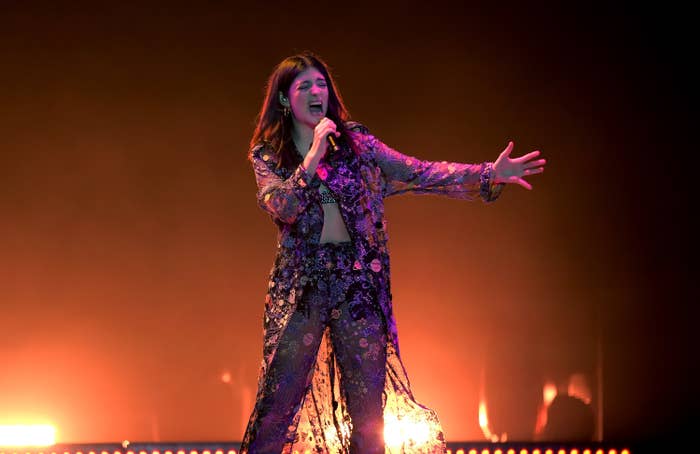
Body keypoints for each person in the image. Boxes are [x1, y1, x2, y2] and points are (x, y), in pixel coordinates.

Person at [240, 52, 546, 453]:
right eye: (304, 86)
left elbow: (418, 171)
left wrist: (488, 172)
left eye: (321, 84)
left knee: (368, 417)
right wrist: (312, 156)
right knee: (276, 408)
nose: (318, 92)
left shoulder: (357, 143)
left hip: (357, 288)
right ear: (284, 100)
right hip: (303, 288)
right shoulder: (269, 155)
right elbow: (282, 207)